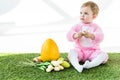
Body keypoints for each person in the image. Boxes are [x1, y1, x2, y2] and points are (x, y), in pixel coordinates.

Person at [66, 1, 108, 72]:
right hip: (80, 51)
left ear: (94, 16)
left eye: (86, 13)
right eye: (81, 13)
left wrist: (91, 35)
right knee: (72, 53)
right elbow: (68, 35)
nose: (82, 15)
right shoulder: (77, 26)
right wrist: (75, 35)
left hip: (93, 51)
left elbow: (101, 37)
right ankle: (77, 66)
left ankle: (90, 65)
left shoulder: (96, 27)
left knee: (103, 55)